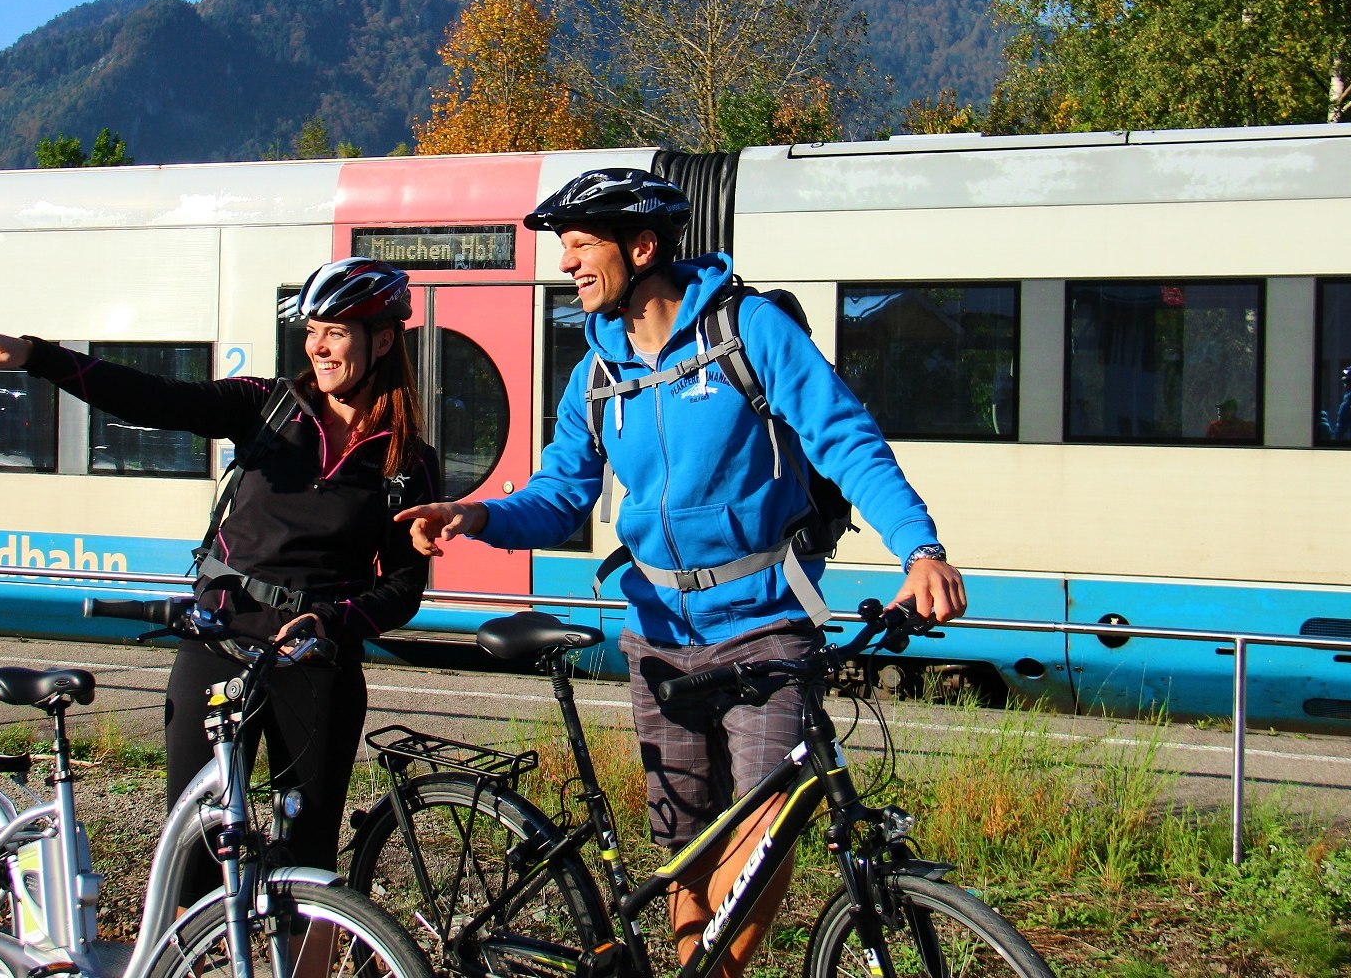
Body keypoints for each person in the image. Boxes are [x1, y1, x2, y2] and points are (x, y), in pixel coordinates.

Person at [395, 169, 965, 977]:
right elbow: (562, 496)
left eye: (582, 248)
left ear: (644, 248)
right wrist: (478, 516)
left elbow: (847, 439)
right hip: (658, 639)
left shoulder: (749, 332)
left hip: (765, 625)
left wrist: (921, 548)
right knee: (684, 849)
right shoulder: (597, 372)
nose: (568, 265)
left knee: (765, 832)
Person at [0, 256, 439, 905]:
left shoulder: (407, 463)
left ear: (383, 339)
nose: (317, 345)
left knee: (310, 862)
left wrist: (336, 621)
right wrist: (37, 357)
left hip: (315, 662)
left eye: (336, 331)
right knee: (198, 855)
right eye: (312, 330)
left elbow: (404, 588)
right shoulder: (267, 408)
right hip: (218, 643)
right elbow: (154, 398)